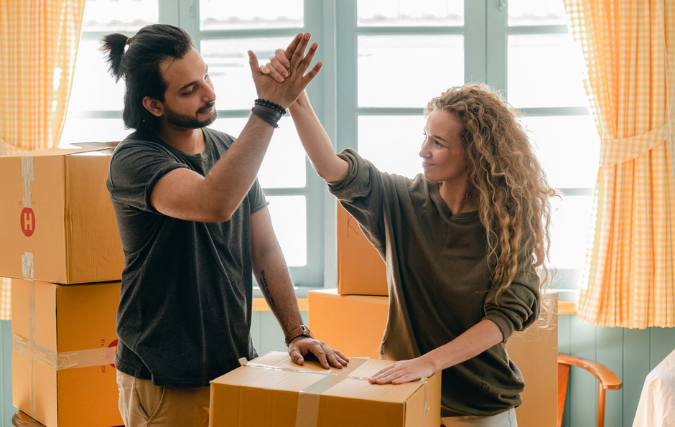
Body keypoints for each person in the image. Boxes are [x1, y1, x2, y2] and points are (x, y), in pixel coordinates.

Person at [263, 47, 555, 426]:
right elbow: (333, 170)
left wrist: (427, 363)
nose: (423, 151)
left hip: (479, 405)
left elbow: (504, 317)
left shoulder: (508, 223)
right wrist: (296, 100)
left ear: (476, 153)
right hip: (404, 393)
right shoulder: (400, 200)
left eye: (438, 142)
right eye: (425, 136)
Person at [101, 25, 347, 427]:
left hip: (234, 367)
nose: (209, 93)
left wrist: (296, 332)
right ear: (154, 105)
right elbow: (213, 203)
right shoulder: (134, 160)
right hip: (163, 380)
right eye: (188, 90)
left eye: (207, 76)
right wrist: (268, 108)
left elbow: (264, 248)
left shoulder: (229, 149)